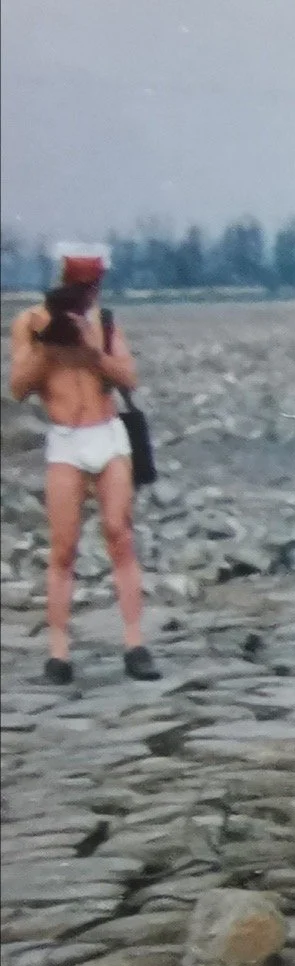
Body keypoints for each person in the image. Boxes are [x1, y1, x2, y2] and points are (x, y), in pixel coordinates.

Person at [7, 243, 157, 685]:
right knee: (63, 547)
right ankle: (59, 653)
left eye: (92, 287)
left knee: (119, 534)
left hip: (107, 434)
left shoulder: (105, 323)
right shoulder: (30, 323)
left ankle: (135, 643)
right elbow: (18, 387)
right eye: (80, 287)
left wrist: (93, 349)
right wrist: (49, 346)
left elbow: (128, 378)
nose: (87, 295)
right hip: (66, 440)